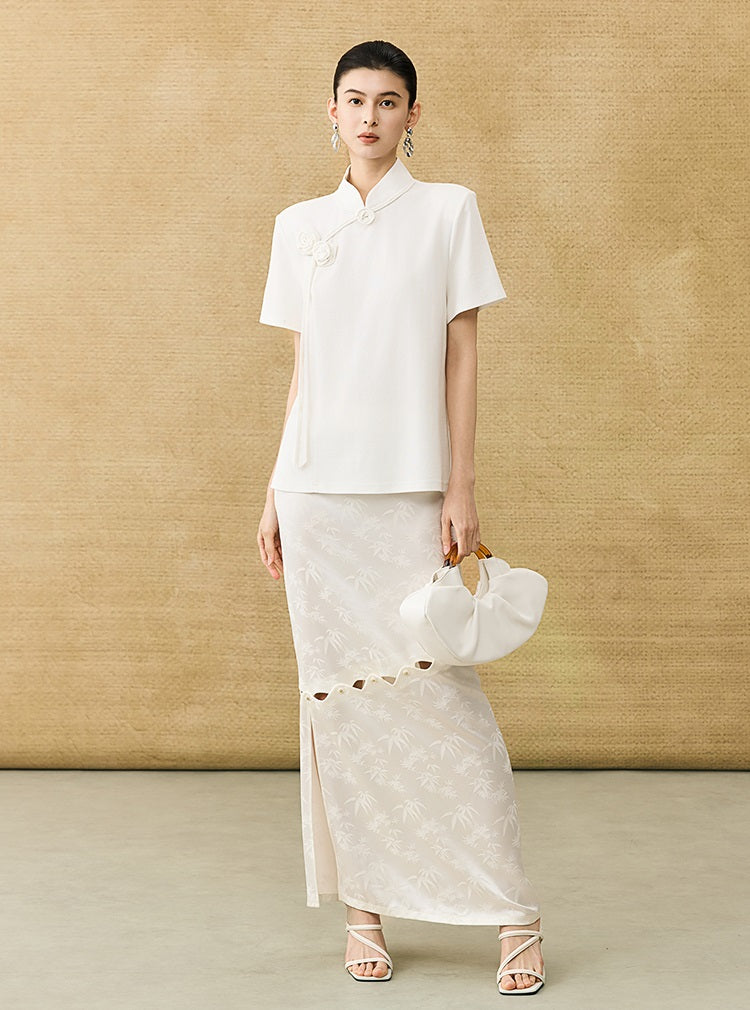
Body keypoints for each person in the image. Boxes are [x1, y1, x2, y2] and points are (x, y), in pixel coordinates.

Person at [256, 39, 546, 996]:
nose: (370, 116)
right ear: (331, 112)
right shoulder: (299, 226)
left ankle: (512, 913)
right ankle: (365, 912)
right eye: (355, 100)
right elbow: (305, 368)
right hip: (316, 494)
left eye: (388, 101)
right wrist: (274, 488)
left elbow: (463, 352)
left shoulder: (448, 210)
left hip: (413, 486)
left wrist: (462, 484)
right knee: (338, 706)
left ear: (413, 114)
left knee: (442, 696)